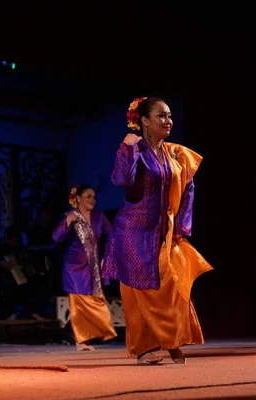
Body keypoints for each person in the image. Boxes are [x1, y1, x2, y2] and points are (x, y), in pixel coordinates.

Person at [101, 96, 213, 365]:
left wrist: (182, 226)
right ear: (144, 121)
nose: (168, 121)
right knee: (137, 291)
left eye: (170, 115)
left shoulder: (176, 152)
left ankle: (171, 339)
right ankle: (142, 349)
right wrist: (127, 149)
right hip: (132, 231)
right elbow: (122, 180)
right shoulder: (134, 149)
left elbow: (188, 189)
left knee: (173, 286)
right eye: (161, 116)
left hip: (164, 232)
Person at [52, 184, 117, 351]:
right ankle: (81, 341)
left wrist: (106, 257)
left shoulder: (100, 217)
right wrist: (67, 221)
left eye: (94, 197)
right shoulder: (72, 216)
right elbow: (57, 238)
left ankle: (95, 334)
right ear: (78, 198)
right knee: (79, 304)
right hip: (74, 267)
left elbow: (112, 237)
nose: (92, 200)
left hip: (93, 267)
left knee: (97, 301)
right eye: (88, 196)